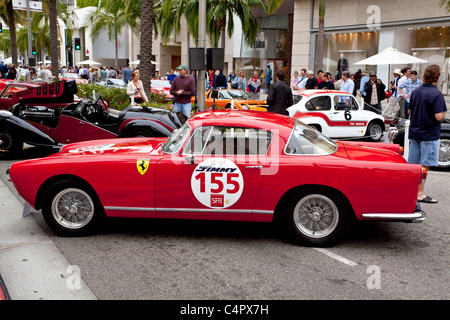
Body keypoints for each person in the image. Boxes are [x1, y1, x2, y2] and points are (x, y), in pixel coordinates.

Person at [408, 64, 447, 204]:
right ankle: (420, 193)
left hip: (415, 132)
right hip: (429, 134)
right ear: (437, 77)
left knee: (413, 166)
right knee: (425, 166)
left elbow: (410, 112)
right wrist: (443, 113)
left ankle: (410, 191)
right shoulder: (436, 94)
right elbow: (438, 116)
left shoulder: (416, 91)